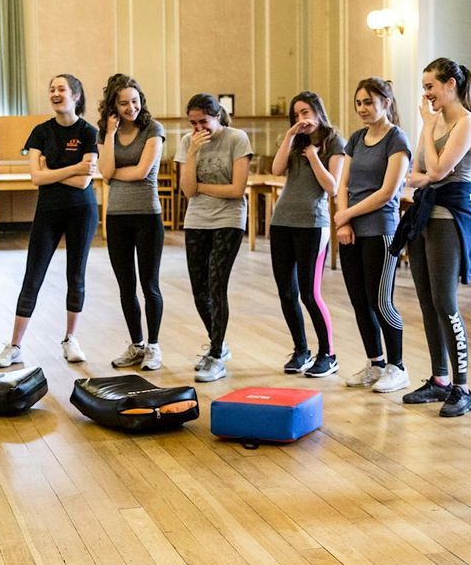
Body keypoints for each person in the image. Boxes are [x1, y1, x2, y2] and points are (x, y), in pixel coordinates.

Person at [390, 59, 471, 417]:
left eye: (430, 86)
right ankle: (439, 380)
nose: (425, 94)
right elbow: (416, 174)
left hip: (449, 217)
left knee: (446, 302)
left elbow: (439, 170)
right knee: (426, 301)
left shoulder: (467, 122)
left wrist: (427, 127)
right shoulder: (438, 121)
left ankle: (463, 386)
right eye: (424, 87)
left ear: (451, 85)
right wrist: (428, 138)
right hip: (425, 214)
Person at [0, 74, 98, 368]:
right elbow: (37, 178)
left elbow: (84, 182)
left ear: (75, 95)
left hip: (82, 211)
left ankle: (70, 339)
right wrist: (75, 167)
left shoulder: (88, 131)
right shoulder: (40, 132)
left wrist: (55, 169)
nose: (54, 93)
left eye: (61, 89)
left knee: (75, 275)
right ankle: (14, 345)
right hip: (48, 211)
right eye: (51, 89)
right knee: (32, 276)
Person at [335, 78, 411, 392]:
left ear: (386, 102)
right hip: (350, 229)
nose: (363, 108)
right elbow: (343, 184)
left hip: (380, 229)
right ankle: (375, 363)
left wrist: (347, 214)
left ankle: (398, 366)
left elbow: (387, 192)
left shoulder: (397, 139)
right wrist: (343, 222)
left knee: (381, 301)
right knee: (359, 301)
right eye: (359, 103)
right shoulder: (355, 138)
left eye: (369, 102)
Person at [175, 94, 253, 383]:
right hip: (197, 220)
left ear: (217, 117)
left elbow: (236, 190)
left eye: (203, 122)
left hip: (228, 220)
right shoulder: (187, 142)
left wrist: (202, 186)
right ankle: (216, 342)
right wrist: (193, 153)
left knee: (217, 284)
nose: (198, 129)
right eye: (193, 123)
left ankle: (217, 355)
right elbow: (187, 191)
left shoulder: (237, 139)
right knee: (199, 290)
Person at [268, 91, 346, 377]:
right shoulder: (293, 140)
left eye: (307, 112)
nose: (303, 119)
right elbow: (277, 169)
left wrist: (313, 156)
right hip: (282, 221)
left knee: (310, 294)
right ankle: (301, 350)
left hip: (313, 224)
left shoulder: (333, 140)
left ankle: (329, 354)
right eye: (297, 114)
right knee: (286, 292)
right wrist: (290, 136)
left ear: (318, 111)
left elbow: (332, 186)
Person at [97, 74, 166, 371]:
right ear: (113, 106)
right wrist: (110, 136)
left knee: (149, 284)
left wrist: (114, 174)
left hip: (147, 216)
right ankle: (136, 345)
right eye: (124, 103)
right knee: (126, 286)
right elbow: (105, 171)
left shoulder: (153, 128)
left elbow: (140, 172)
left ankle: (154, 346)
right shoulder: (105, 133)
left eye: (135, 101)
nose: (131, 107)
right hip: (116, 218)